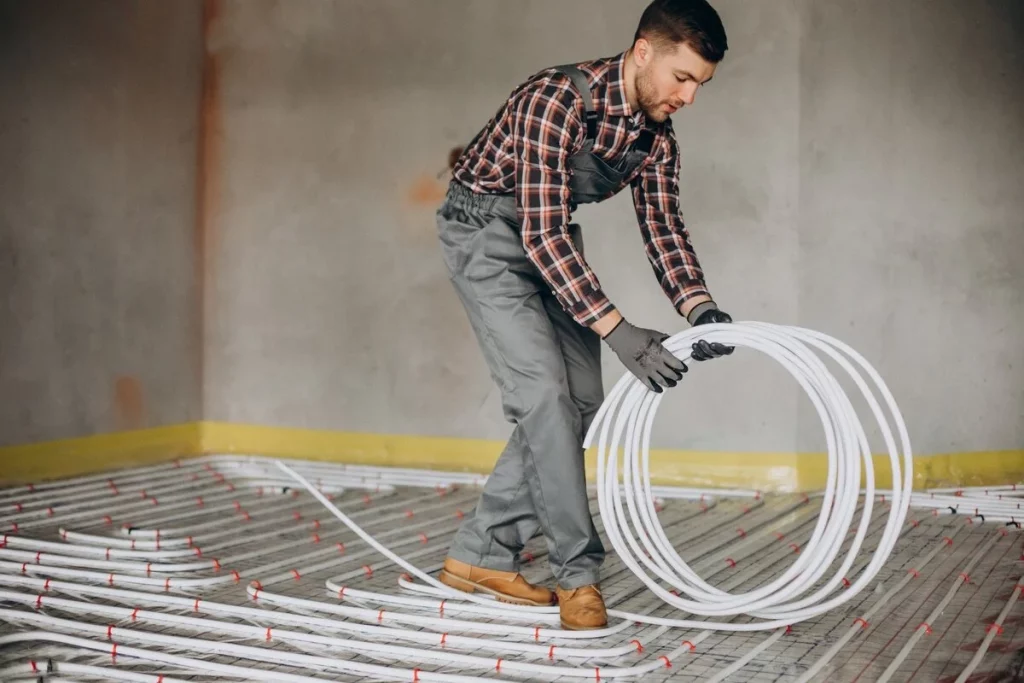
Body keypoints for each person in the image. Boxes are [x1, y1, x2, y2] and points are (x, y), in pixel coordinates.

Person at [434, 0, 734, 631]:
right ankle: (578, 573)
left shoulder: (656, 138)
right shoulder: (555, 99)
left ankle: (481, 554)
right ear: (644, 51)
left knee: (586, 401)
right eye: (682, 78)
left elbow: (664, 229)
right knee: (544, 397)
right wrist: (619, 331)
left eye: (700, 86)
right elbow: (539, 233)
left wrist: (702, 310)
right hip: (485, 236)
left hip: (548, 241)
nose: (689, 97)